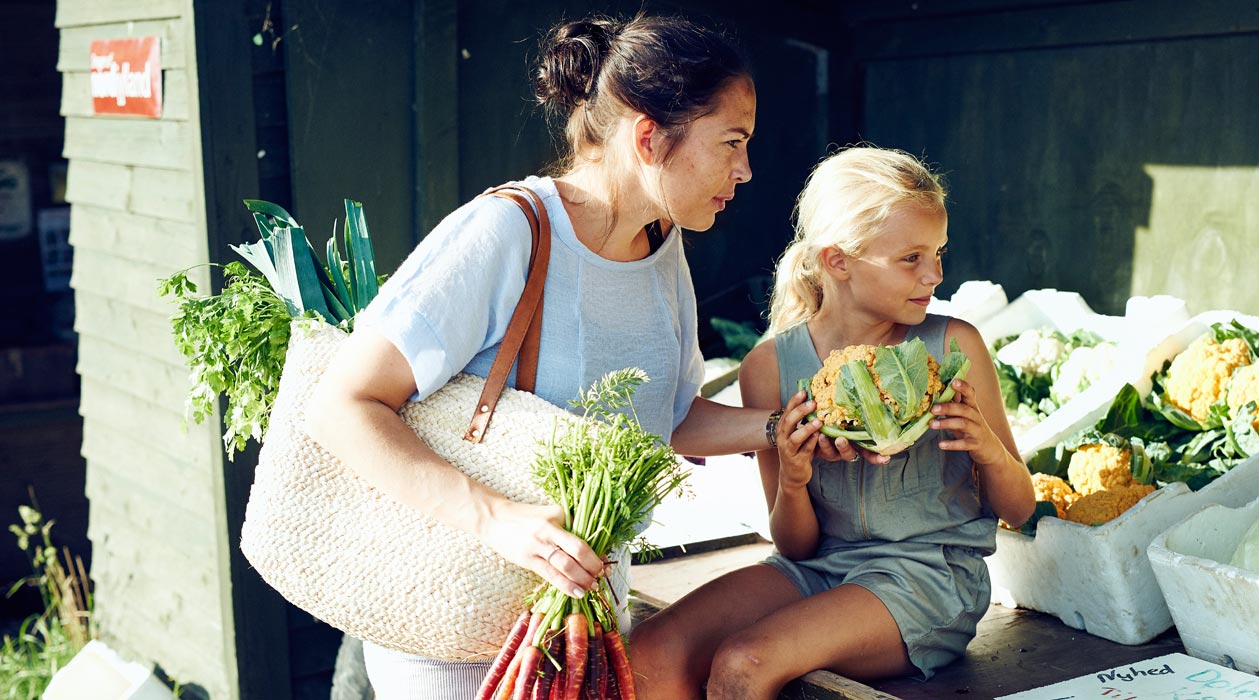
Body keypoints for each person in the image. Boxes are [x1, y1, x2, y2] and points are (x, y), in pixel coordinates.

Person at [305, 13, 863, 697]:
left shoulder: (663, 253)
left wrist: (782, 428)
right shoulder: (507, 232)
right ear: (650, 137)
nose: (745, 171)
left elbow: (662, 416)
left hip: (581, 632)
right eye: (732, 143)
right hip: (457, 635)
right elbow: (341, 405)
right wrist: (497, 519)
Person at [628, 147, 1037, 700]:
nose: (934, 274)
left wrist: (986, 449)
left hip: (927, 579)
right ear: (839, 260)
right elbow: (796, 547)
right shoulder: (770, 367)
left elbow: (1021, 509)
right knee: (648, 654)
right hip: (815, 569)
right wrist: (794, 479)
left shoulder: (953, 344)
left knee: (744, 665)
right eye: (911, 258)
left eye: (938, 253)